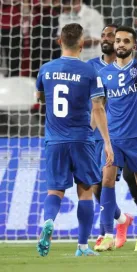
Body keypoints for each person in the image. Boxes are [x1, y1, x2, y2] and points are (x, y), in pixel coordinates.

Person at [35, 23, 113, 257]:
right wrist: (107, 143)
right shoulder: (90, 72)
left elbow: (39, 98)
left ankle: (49, 221)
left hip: (55, 140)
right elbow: (98, 108)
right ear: (82, 43)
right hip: (81, 139)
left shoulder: (45, 70)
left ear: (60, 42)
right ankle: (82, 246)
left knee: (54, 192)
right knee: (86, 191)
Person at [94, 7, 137, 252]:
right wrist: (105, 141)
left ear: (133, 45)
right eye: (117, 40)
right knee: (105, 181)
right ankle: (108, 234)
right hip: (114, 139)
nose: (120, 44)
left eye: (126, 41)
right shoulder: (103, 74)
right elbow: (98, 107)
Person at [87, 24, 134, 250]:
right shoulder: (92, 67)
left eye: (111, 36)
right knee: (96, 187)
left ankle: (107, 232)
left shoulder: (133, 68)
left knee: (127, 182)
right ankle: (123, 220)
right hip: (98, 135)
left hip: (125, 135)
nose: (106, 39)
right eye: (104, 35)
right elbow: (97, 105)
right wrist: (88, 132)